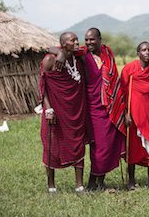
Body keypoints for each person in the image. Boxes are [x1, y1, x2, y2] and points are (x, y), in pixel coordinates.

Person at [50, 28, 126, 191]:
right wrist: (61, 53)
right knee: (99, 146)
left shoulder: (107, 53)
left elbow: (114, 81)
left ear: (100, 39)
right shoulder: (84, 54)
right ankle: (92, 182)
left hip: (111, 107)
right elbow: (50, 48)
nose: (88, 42)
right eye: (86, 40)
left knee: (109, 144)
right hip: (92, 107)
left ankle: (100, 181)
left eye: (92, 39)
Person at [39, 32, 87, 193]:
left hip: (75, 111)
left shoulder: (78, 59)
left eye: (76, 39)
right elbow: (43, 86)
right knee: (52, 144)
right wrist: (48, 109)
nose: (76, 42)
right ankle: (51, 185)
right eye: (72, 40)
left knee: (78, 144)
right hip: (55, 111)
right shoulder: (49, 60)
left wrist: (61, 53)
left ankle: (79, 185)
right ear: (63, 43)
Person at [120, 41, 149, 190]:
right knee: (132, 146)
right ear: (138, 53)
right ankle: (131, 181)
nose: (147, 52)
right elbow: (122, 93)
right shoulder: (129, 69)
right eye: (144, 50)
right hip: (133, 114)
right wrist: (125, 113)